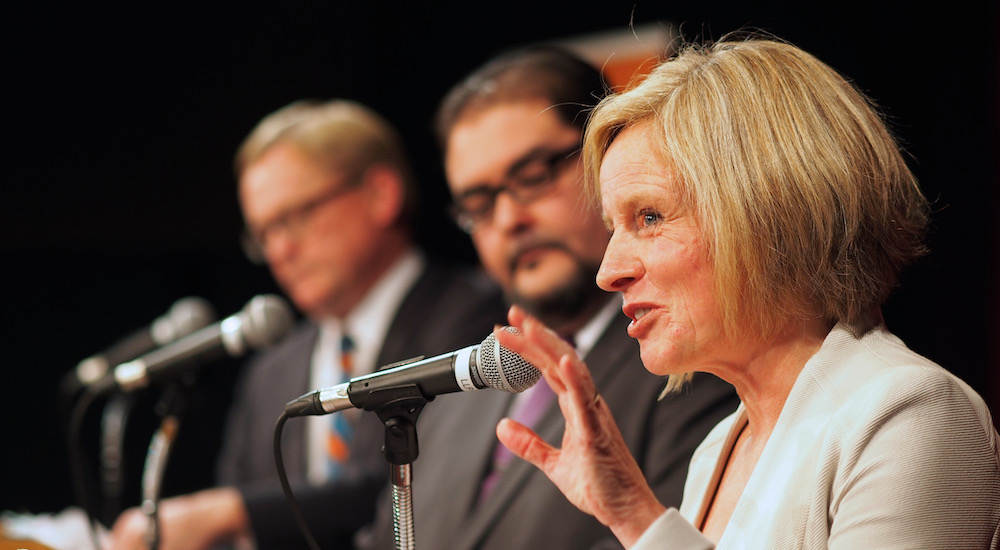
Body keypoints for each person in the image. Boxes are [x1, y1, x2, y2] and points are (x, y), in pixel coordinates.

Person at [492, 37, 1000, 549]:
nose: (609, 271)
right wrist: (631, 516)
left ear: (769, 212)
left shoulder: (907, 413)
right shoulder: (719, 447)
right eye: (612, 227)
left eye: (649, 217)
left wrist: (636, 517)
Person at [356, 46, 739, 550]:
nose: (510, 218)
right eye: (480, 203)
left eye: (533, 176)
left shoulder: (697, 361)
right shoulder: (460, 391)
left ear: (606, 154)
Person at [108, 99, 508, 549]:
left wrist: (235, 512)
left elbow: (429, 477)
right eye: (263, 234)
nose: (280, 250)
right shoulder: (272, 370)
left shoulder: (478, 317)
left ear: (381, 194)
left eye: (295, 217)